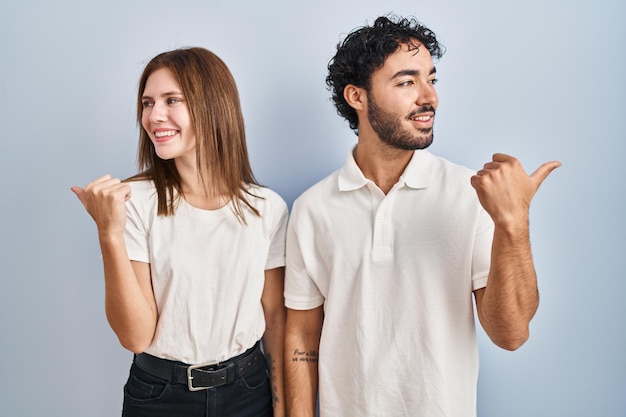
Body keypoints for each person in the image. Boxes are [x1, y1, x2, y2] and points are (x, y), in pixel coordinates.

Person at [283, 15, 561, 417]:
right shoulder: (312, 208)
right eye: (406, 82)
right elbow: (302, 336)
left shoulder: (470, 194)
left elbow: (512, 334)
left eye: (432, 79)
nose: (428, 96)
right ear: (357, 97)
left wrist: (513, 222)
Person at [71, 47, 287, 417]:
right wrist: (109, 233)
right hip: (161, 397)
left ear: (213, 106)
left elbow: (278, 325)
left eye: (172, 100)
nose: (154, 116)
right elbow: (135, 336)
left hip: (250, 391)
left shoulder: (266, 208)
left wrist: (284, 411)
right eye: (147, 103)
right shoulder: (134, 202)